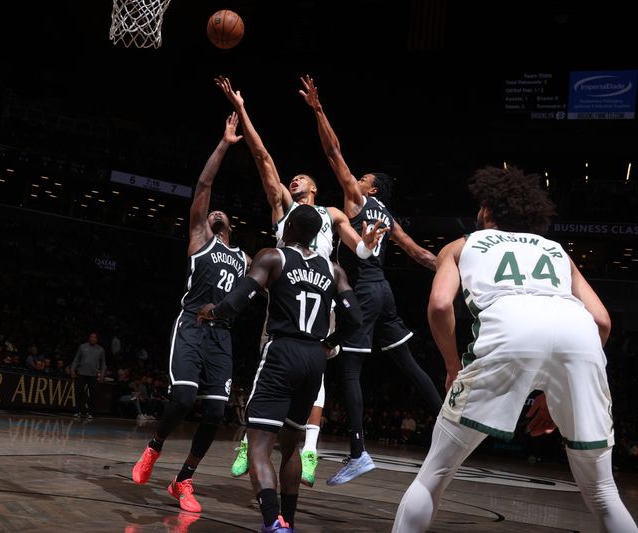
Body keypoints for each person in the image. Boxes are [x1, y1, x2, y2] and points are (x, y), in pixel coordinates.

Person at [392, 166, 638, 533]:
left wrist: (452, 366)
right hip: (580, 337)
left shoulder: (462, 244)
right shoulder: (556, 250)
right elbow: (602, 320)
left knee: (435, 473)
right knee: (603, 491)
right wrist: (558, 393)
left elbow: (441, 305)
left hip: (510, 330)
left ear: (488, 211)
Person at [216, 75, 380, 487]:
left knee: (316, 372)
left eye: (302, 177)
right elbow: (263, 158)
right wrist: (242, 109)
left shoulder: (332, 214)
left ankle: (309, 450)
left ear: (315, 187)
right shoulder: (284, 209)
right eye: (294, 178)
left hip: (322, 291)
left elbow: (359, 252)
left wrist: (371, 243)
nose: (295, 179)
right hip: (287, 290)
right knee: (270, 363)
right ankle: (250, 441)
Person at [298, 75, 442, 485]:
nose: (354, 179)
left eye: (361, 177)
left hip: (361, 291)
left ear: (371, 187)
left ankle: (358, 452)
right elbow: (420, 254)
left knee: (349, 372)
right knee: (407, 362)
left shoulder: (359, 201)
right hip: (386, 292)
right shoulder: (390, 219)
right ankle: (447, 420)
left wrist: (318, 109)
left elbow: (333, 152)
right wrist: (458, 273)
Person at [197, 204, 369, 533]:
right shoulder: (334, 270)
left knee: (259, 446)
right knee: (291, 445)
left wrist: (212, 311)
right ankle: (286, 521)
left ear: (288, 228)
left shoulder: (273, 257)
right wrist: (331, 341)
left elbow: (236, 302)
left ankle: (272, 522)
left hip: (282, 351)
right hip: (314, 357)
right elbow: (357, 318)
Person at [131, 113, 248, 514]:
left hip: (222, 335)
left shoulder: (245, 259)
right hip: (192, 327)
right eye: (212, 213)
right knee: (182, 397)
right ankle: (153, 448)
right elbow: (204, 185)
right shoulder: (200, 239)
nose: (216, 214)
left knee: (216, 411)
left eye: (222, 216)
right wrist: (225, 143)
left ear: (231, 227)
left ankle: (183, 480)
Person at [70, 332, 106, 421]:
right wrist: (72, 370)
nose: (93, 339)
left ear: (97, 339)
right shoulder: (82, 347)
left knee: (92, 394)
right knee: (79, 393)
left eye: (95, 337)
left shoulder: (101, 350)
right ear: (89, 338)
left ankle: (90, 413)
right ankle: (77, 411)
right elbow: (76, 359)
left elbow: (103, 364)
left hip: (93, 375)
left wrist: (102, 374)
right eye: (91, 337)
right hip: (82, 373)